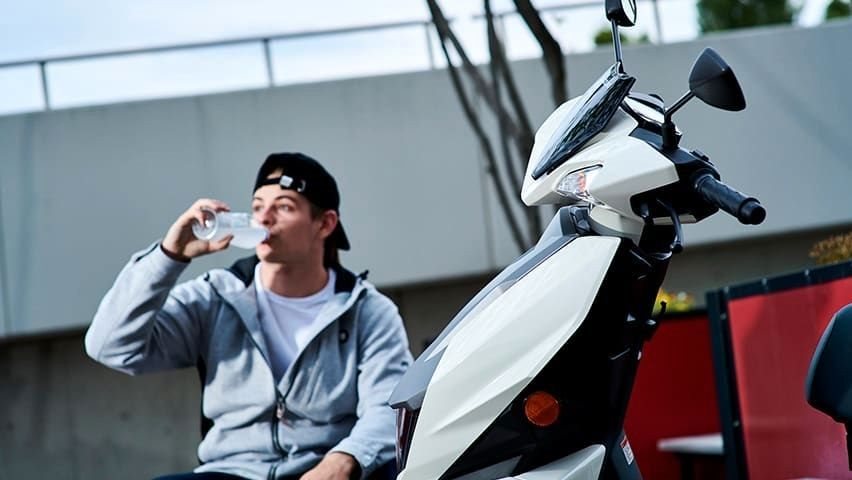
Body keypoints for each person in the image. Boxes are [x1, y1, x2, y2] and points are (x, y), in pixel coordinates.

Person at [85, 152, 413, 480]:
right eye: (257, 206)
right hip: (233, 472)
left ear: (325, 224)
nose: (264, 218)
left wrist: (345, 459)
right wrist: (169, 255)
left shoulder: (366, 311)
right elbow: (111, 347)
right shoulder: (215, 297)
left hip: (329, 469)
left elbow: (389, 406)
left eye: (284, 207)